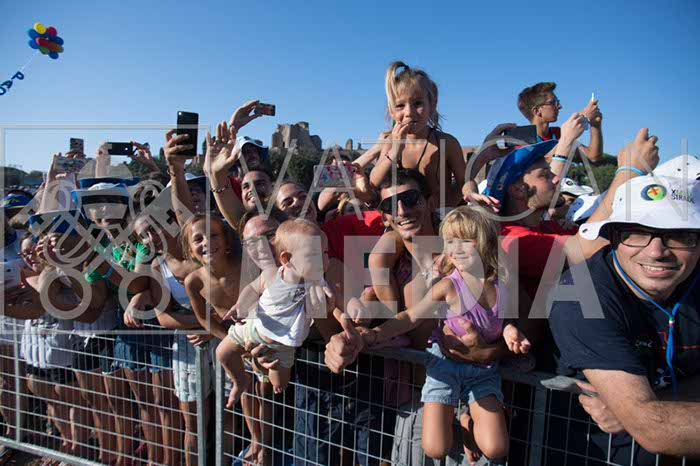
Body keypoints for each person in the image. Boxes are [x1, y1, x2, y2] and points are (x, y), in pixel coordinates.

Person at [357, 206, 530, 465]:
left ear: (484, 241)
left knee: (496, 449)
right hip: (445, 367)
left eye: (465, 240)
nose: (456, 248)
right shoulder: (449, 285)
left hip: (482, 371)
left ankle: (467, 420)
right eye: (450, 241)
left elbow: (503, 320)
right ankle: (458, 417)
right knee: (436, 448)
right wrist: (375, 334)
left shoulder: (502, 285)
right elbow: (411, 316)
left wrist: (510, 331)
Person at [549, 174, 700, 463]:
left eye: (679, 235)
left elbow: (647, 417)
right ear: (614, 237)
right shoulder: (580, 294)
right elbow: (654, 429)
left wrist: (651, 404)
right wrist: (643, 414)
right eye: (636, 233)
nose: (656, 251)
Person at [370, 61, 467, 208]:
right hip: (405, 216)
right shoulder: (391, 142)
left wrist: (449, 205)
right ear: (391, 111)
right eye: (400, 105)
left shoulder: (446, 142)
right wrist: (395, 151)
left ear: (432, 104)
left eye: (417, 103)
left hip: (440, 216)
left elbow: (464, 182)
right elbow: (374, 181)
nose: (409, 112)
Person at [516, 82, 603, 163]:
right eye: (553, 102)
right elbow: (544, 160)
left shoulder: (558, 133)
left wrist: (595, 126)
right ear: (537, 111)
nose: (559, 106)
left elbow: (593, 156)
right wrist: (581, 116)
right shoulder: (521, 139)